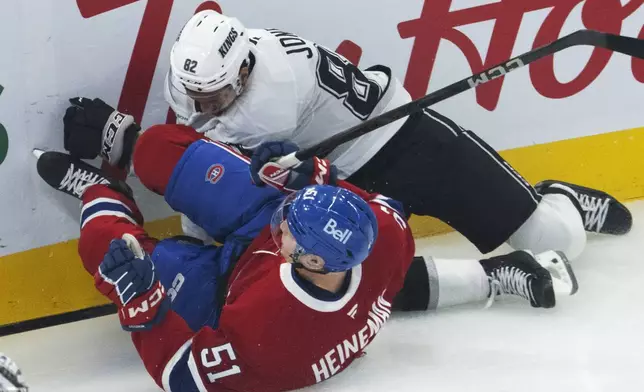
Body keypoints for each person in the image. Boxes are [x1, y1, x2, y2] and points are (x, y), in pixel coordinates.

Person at [37, 121, 577, 391]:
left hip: (226, 290)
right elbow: (370, 208)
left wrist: (145, 306)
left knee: (108, 251)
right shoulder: (383, 236)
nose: (284, 222)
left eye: (291, 231)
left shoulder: (268, 335)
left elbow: (184, 376)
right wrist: (312, 178)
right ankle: (492, 278)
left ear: (314, 264)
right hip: (320, 280)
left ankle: (100, 189)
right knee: (158, 149)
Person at [158, 10, 631, 260]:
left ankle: (556, 197)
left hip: (405, 142)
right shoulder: (226, 61)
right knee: (352, 288)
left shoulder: (268, 102)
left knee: (558, 240)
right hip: (341, 185)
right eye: (197, 96)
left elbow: (207, 163)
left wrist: (195, 240)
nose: (202, 108)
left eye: (216, 97)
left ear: (243, 68)